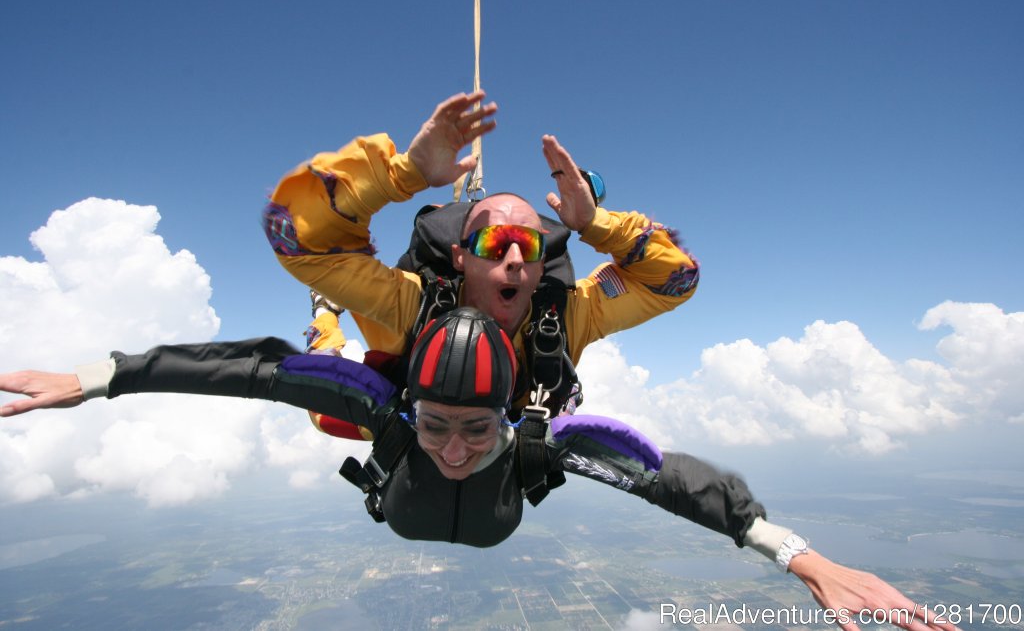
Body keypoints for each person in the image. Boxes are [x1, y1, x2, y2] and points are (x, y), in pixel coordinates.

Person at [0, 310, 956, 631]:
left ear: (511, 415)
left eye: (475, 429)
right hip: (403, 496)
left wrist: (802, 558)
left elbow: (675, 483)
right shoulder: (384, 409)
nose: (453, 446)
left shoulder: (544, 439)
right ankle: (330, 320)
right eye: (435, 424)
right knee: (319, 375)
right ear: (409, 409)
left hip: (450, 510)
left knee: (337, 391)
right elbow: (242, 375)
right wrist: (100, 379)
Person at [263, 90, 700, 417]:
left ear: (540, 265)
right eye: (492, 244)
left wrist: (594, 225)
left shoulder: (566, 314)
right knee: (326, 400)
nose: (512, 260)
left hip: (504, 433)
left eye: (528, 247)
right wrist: (402, 175)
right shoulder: (411, 304)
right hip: (404, 416)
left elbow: (676, 281)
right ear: (459, 258)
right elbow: (294, 234)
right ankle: (325, 318)